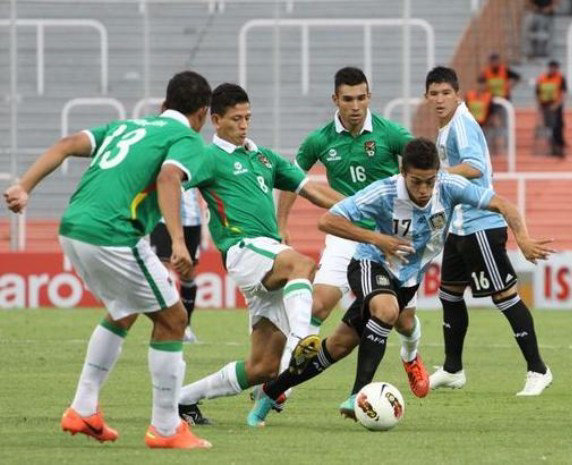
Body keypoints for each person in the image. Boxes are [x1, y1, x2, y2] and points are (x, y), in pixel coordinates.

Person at [247, 138, 555, 427]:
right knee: (386, 310)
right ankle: (359, 394)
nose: (424, 189)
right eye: (416, 181)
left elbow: (504, 205)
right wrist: (377, 239)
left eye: (430, 181)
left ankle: (272, 391)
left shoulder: (448, 187)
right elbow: (327, 220)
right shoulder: (383, 192)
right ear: (402, 173)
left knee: (338, 345)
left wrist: (523, 239)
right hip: (370, 263)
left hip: (407, 279)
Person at [3, 71, 213, 448]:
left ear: (163, 106)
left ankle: (83, 408)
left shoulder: (126, 125)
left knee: (124, 310)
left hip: (72, 227)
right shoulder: (187, 138)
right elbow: (169, 179)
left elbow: (67, 143)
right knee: (174, 318)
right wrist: (179, 242)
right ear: (203, 113)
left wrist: (23, 185)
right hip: (114, 233)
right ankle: (166, 429)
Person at [176, 83, 343, 425]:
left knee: (262, 367)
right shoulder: (208, 158)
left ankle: (182, 399)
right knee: (303, 263)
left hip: (265, 256)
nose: (244, 124)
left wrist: (358, 208)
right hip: (242, 248)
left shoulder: (263, 156)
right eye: (236, 118)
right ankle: (302, 339)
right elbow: (171, 181)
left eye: (248, 117)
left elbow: (311, 190)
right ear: (216, 119)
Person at [276, 67, 429, 410]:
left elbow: (424, 162)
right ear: (336, 100)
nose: (356, 106)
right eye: (348, 99)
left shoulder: (390, 134)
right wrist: (281, 222)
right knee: (317, 305)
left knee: (403, 320)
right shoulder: (320, 140)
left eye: (361, 98)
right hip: (346, 233)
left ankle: (411, 354)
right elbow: (291, 177)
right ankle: (285, 381)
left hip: (387, 238)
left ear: (369, 97)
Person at [425, 66, 553, 396]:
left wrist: (433, 174)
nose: (439, 99)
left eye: (445, 93)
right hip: (460, 227)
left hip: (481, 223)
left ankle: (538, 369)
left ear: (458, 95)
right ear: (427, 97)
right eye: (434, 93)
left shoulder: (462, 124)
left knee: (504, 297)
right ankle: (453, 369)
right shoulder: (446, 127)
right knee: (449, 294)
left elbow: (475, 167)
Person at [151, 187, 204, 343]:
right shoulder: (161, 161)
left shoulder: (197, 162)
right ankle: (162, 324)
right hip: (162, 219)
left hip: (192, 220)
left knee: (187, 272)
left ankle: (185, 326)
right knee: (161, 271)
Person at [535, 60, 567, 157]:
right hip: (545, 106)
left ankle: (559, 146)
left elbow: (563, 93)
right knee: (548, 127)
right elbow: (538, 93)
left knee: (558, 126)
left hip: (556, 106)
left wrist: (556, 105)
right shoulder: (542, 78)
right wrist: (540, 106)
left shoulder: (560, 78)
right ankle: (551, 146)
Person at [465, 76, 496, 152]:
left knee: (484, 145)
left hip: (484, 125)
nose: (480, 87)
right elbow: (465, 109)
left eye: (482, 85)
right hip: (471, 126)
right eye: (479, 84)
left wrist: (490, 122)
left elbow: (492, 111)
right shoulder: (469, 96)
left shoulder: (489, 97)